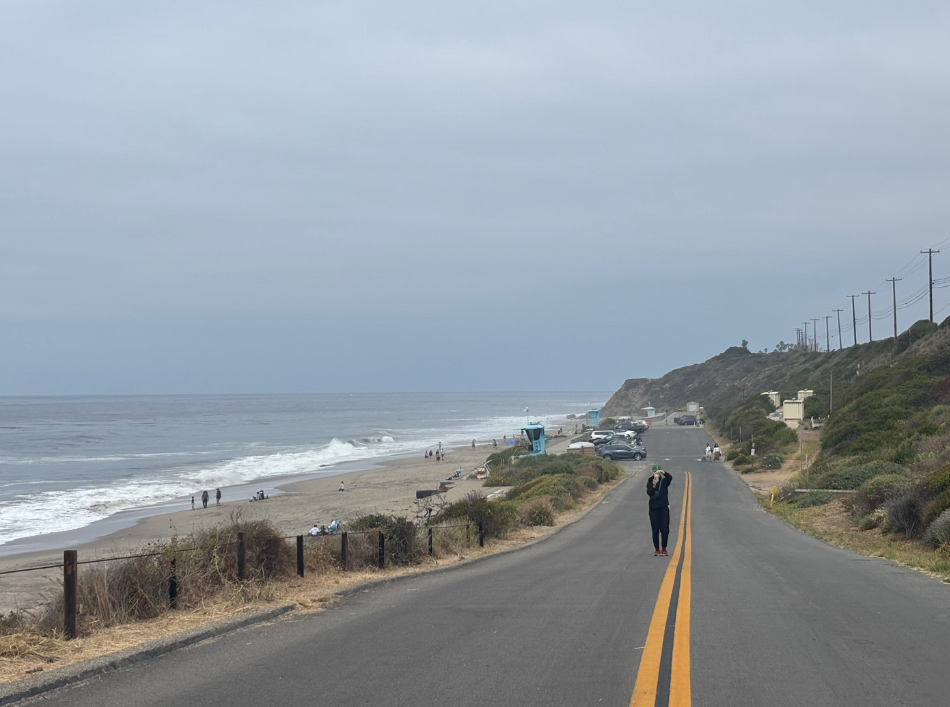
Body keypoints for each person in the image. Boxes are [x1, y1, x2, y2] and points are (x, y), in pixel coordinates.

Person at [646, 465, 673, 556]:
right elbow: (649, 492)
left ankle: (664, 548)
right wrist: (654, 486)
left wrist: (663, 472)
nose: (656, 474)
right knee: (655, 529)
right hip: (654, 509)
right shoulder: (650, 481)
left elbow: (670, 478)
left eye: (657, 472)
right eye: (655, 472)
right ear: (652, 473)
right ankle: (657, 549)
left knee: (665, 530)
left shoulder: (664, 481)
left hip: (663, 508)